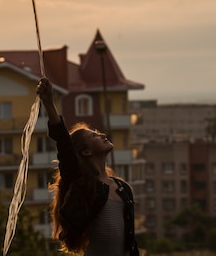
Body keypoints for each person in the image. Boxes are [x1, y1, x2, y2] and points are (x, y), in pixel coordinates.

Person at [37, 77, 140, 256]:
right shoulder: (82, 182)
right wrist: (49, 103)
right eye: (94, 136)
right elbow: (63, 143)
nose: (102, 135)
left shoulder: (123, 189)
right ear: (85, 152)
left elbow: (130, 241)